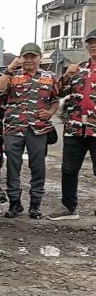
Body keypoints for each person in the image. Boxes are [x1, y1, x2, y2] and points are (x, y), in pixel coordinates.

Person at [0, 43, 59, 219]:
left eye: (33, 56)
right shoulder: (12, 75)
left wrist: (50, 112)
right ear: (21, 58)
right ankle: (15, 203)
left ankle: (35, 205)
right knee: (13, 167)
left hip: (38, 129)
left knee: (38, 167)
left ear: (40, 57)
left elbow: (55, 100)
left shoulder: (49, 77)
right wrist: (9, 69)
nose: (29, 60)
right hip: (13, 128)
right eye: (26, 57)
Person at [48, 29, 96, 221]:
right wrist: (66, 75)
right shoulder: (79, 69)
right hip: (74, 128)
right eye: (90, 42)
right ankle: (69, 208)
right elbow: (58, 93)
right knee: (68, 169)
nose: (93, 46)